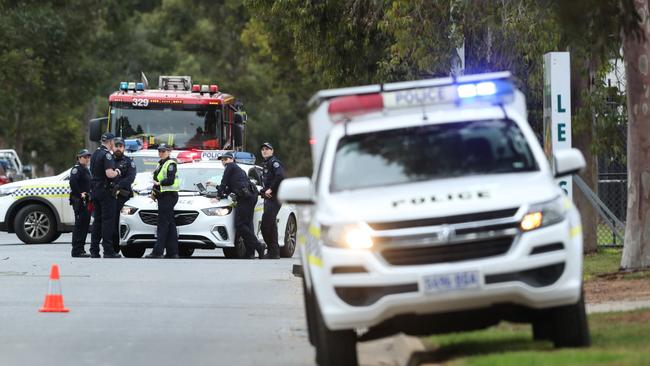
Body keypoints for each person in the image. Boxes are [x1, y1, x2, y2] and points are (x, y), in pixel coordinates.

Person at [213, 152, 265, 259]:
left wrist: (218, 197)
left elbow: (224, 182)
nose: (223, 162)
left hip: (245, 198)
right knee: (248, 224)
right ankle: (250, 253)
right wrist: (219, 190)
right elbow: (229, 188)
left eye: (225, 159)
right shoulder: (237, 169)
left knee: (240, 225)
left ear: (231, 159)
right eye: (222, 160)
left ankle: (259, 246)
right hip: (250, 196)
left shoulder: (230, 166)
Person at [89, 133, 122, 258]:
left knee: (97, 221)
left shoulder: (96, 153)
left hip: (96, 190)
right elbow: (109, 173)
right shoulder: (107, 155)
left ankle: (94, 250)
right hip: (106, 192)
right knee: (107, 221)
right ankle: (108, 250)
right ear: (110, 142)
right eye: (113, 141)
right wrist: (117, 172)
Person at [145, 143, 180, 259]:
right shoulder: (160, 164)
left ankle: (157, 251)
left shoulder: (171, 164)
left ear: (169, 152)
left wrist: (159, 183)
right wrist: (154, 193)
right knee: (170, 225)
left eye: (163, 151)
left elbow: (170, 180)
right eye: (159, 151)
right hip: (163, 196)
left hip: (169, 196)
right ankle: (172, 252)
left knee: (163, 224)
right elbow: (156, 180)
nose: (161, 153)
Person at [260, 142, 285, 259]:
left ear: (272, 151)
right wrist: (263, 190)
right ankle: (274, 252)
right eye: (263, 149)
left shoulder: (274, 163)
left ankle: (271, 249)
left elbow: (280, 176)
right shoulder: (266, 164)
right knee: (272, 226)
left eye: (267, 149)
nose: (264, 151)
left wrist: (270, 189)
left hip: (274, 198)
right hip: (269, 199)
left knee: (265, 225)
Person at [111, 137, 137, 253]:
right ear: (112, 147)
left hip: (123, 197)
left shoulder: (128, 162)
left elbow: (130, 178)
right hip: (110, 196)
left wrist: (118, 185)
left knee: (121, 221)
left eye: (120, 146)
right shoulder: (108, 160)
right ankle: (111, 248)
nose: (118, 148)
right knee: (110, 222)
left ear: (124, 148)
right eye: (116, 146)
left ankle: (122, 247)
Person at [69, 149, 92, 257]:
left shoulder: (85, 169)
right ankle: (77, 250)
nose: (87, 159)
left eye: (88, 157)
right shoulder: (77, 169)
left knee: (84, 225)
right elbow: (73, 182)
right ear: (79, 158)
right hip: (79, 201)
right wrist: (79, 194)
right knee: (80, 225)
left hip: (86, 201)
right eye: (84, 157)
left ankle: (81, 249)